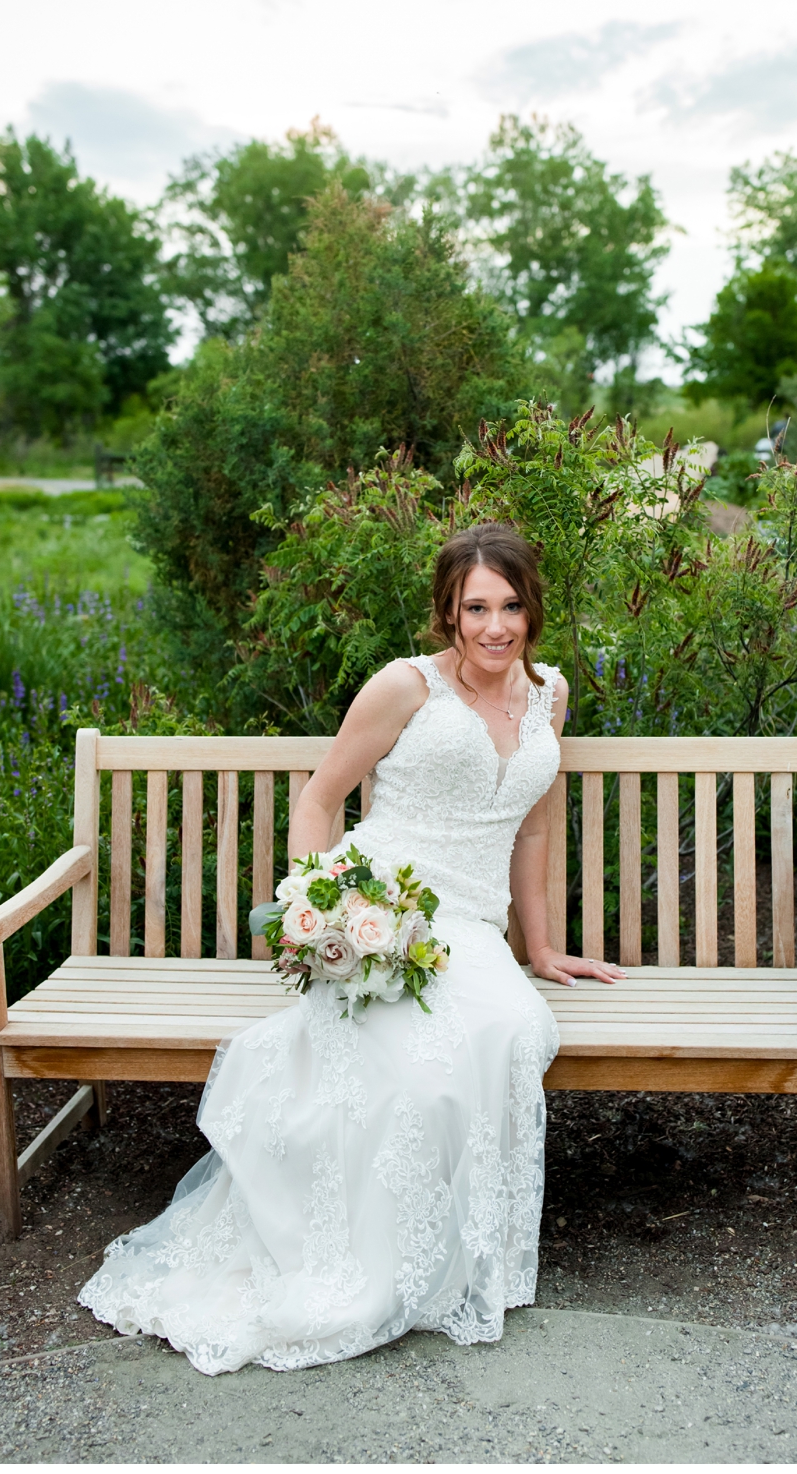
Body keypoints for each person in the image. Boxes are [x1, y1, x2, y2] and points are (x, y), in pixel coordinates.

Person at [78, 522, 625, 1374]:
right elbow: (321, 796)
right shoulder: (404, 688)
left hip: (471, 931)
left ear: (532, 609)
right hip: (386, 907)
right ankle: (370, 1263)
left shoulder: (548, 694)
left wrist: (544, 950)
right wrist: (319, 911)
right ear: (447, 612)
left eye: (511, 606)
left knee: (516, 1029)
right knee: (422, 1062)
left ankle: (456, 1261)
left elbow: (534, 828)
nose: (495, 626)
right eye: (475, 607)